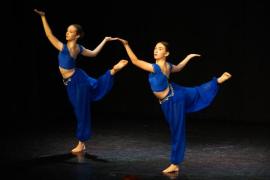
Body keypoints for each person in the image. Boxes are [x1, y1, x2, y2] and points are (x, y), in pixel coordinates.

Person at [117, 38, 232, 173]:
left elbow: (135, 61)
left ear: (166, 53)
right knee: (195, 92)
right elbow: (178, 67)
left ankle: (175, 164)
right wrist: (188, 57)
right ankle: (217, 81)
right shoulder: (168, 66)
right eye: (155, 48)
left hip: (173, 100)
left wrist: (126, 44)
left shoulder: (156, 67)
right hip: (175, 94)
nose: (156, 50)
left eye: (160, 49)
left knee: (177, 130)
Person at [34, 9, 128, 153]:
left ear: (77, 35)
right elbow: (94, 53)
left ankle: (81, 142)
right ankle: (112, 71)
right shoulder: (69, 47)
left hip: (78, 82)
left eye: (71, 31)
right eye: (67, 31)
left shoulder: (73, 48)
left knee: (81, 111)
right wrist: (43, 17)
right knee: (81, 106)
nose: (67, 33)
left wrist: (43, 17)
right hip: (73, 81)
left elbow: (50, 36)